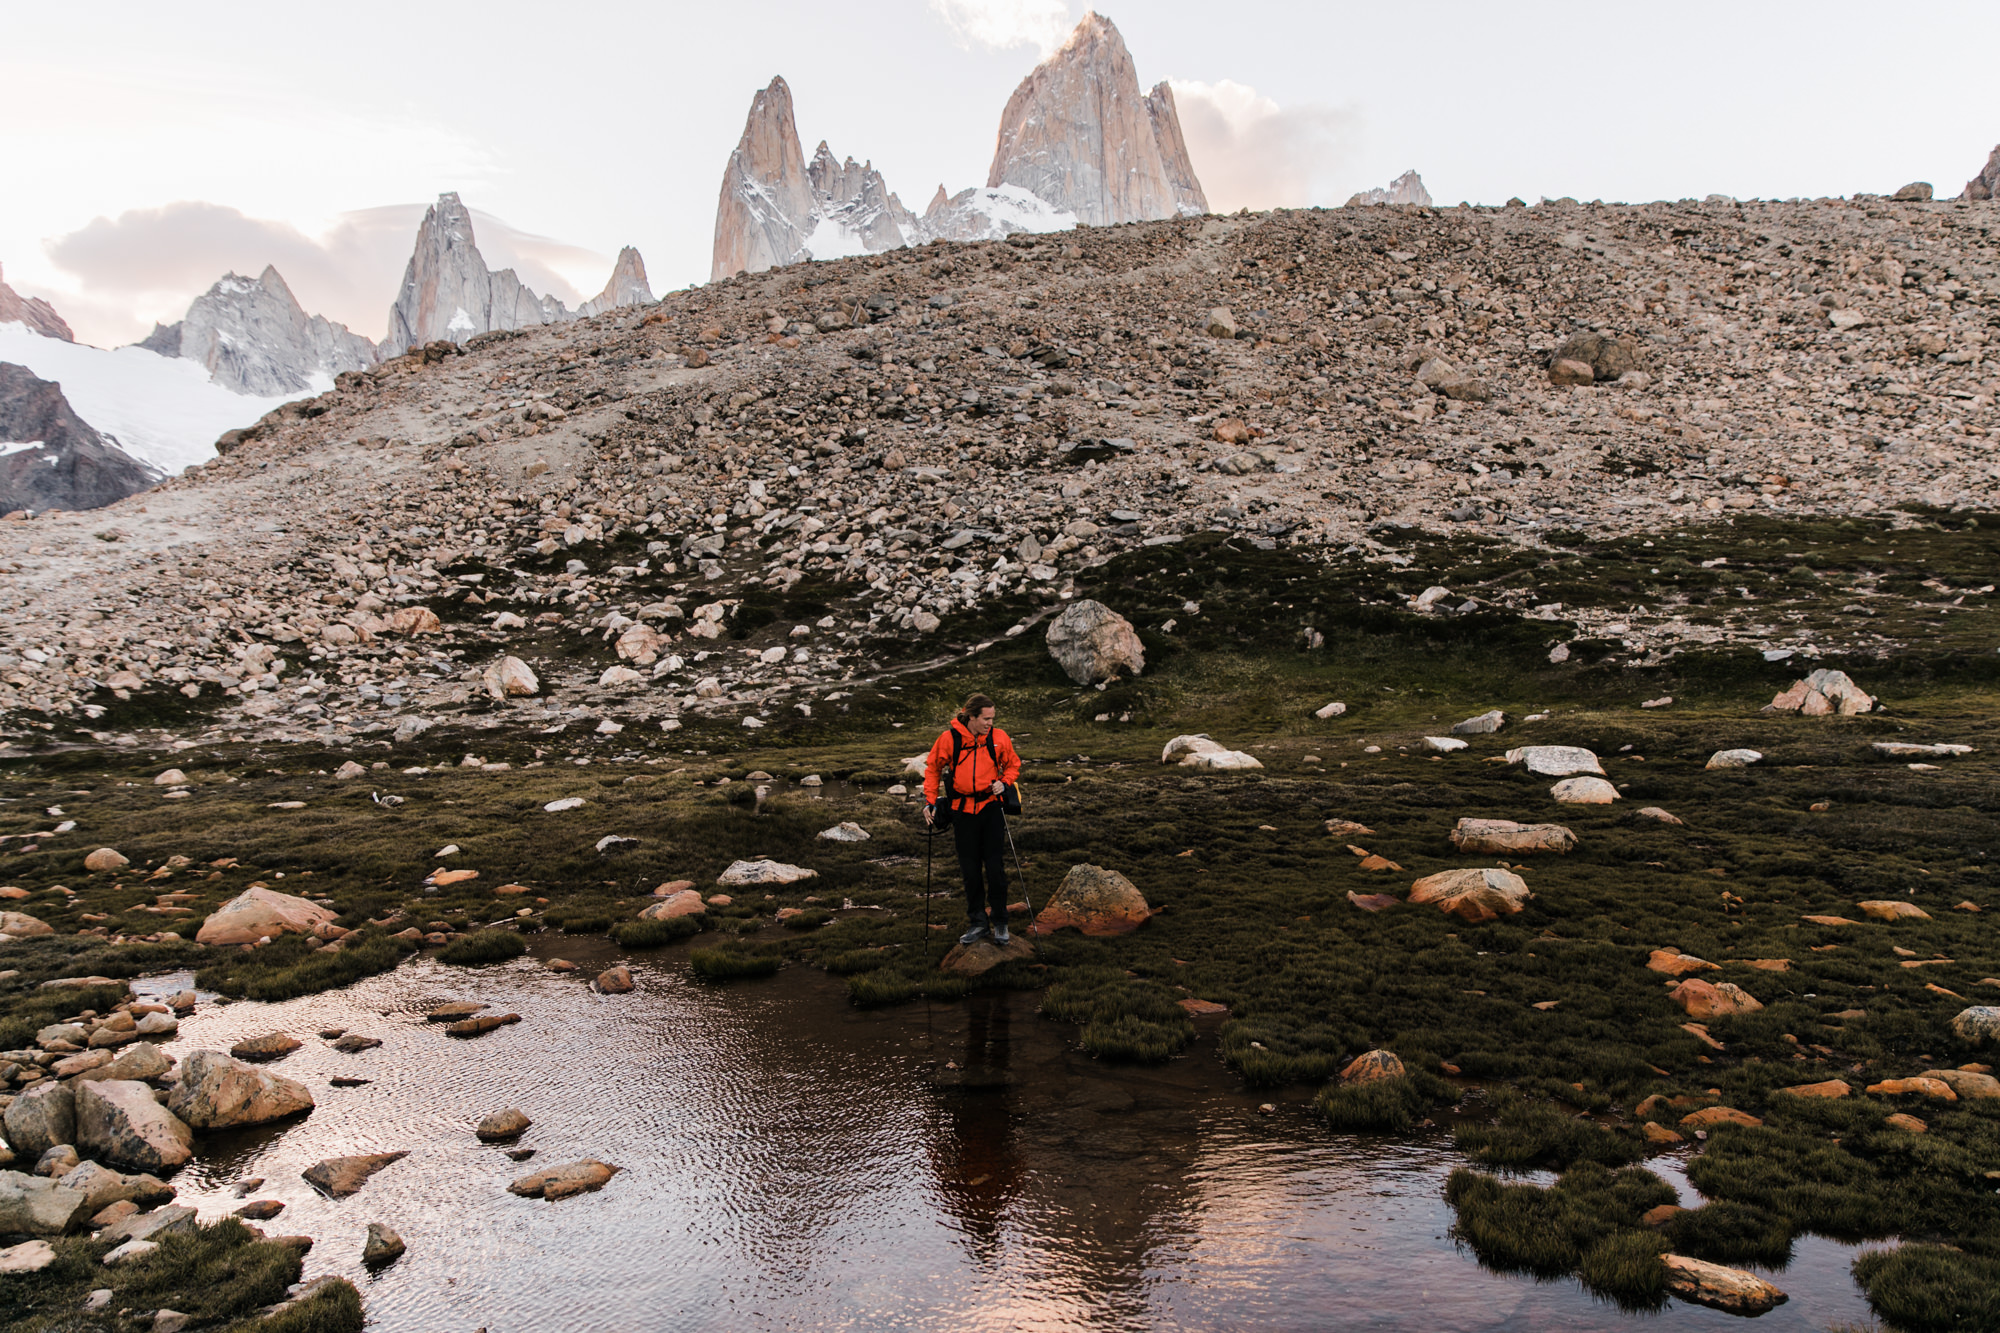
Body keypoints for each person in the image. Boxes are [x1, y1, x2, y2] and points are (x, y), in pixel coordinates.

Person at [923, 693, 1022, 945]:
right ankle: (978, 923)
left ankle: (1000, 922)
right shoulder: (949, 739)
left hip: (990, 809)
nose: (990, 723)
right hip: (962, 811)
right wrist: (930, 802)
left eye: (992, 718)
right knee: (970, 870)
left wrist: (1004, 782)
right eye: (986, 719)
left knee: (995, 868)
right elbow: (933, 768)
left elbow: (1013, 765)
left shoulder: (999, 738)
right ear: (971, 716)